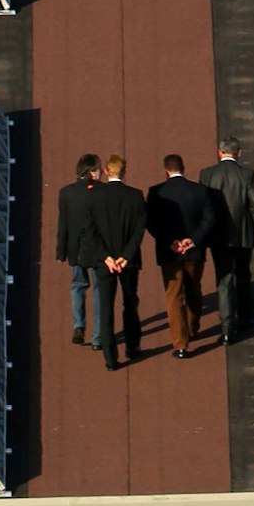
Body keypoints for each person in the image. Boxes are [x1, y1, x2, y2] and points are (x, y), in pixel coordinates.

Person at [83, 153, 147, 371]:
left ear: (105, 172)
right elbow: (139, 231)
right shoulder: (136, 196)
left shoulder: (94, 197)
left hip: (105, 263)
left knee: (105, 308)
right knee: (130, 303)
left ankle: (110, 358)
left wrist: (106, 257)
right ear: (124, 171)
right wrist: (126, 256)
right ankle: (133, 346)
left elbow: (90, 231)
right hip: (128, 261)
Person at [146, 154, 212, 359]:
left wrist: (171, 242)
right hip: (194, 251)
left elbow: (151, 222)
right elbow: (210, 219)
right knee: (194, 289)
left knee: (174, 296)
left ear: (166, 171)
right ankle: (193, 327)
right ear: (183, 168)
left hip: (169, 253)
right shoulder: (200, 190)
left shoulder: (156, 192)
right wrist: (192, 240)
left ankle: (180, 343)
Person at [200, 136, 254, 344]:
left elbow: (204, 206)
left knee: (224, 280)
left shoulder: (207, 174)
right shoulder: (247, 175)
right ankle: (246, 317)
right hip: (242, 234)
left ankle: (227, 328)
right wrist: (252, 227)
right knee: (243, 274)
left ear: (219, 152)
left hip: (218, 236)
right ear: (238, 153)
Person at [55, 154, 102, 347]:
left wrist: (61, 251)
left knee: (77, 286)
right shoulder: (101, 192)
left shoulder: (66, 193)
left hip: (75, 249)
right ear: (91, 171)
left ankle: (79, 325)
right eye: (99, 169)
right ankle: (98, 335)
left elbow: (63, 223)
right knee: (99, 291)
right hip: (98, 250)